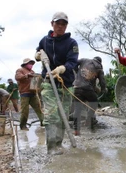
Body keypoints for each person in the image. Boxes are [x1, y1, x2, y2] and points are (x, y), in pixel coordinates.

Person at [35, 11, 79, 155]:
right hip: (48, 82)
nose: (60, 26)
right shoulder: (45, 40)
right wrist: (37, 55)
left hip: (65, 83)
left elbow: (72, 62)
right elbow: (38, 51)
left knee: (63, 116)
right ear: (52, 24)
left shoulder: (72, 43)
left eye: (63, 24)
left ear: (66, 26)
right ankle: (51, 147)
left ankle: (59, 144)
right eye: (57, 23)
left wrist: (61, 69)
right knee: (52, 115)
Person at [72, 56, 107, 136]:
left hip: (77, 87)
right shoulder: (99, 68)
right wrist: (103, 89)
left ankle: (76, 130)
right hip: (88, 89)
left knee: (77, 108)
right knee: (94, 102)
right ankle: (89, 120)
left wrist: (77, 73)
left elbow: (74, 63)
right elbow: (102, 82)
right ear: (100, 62)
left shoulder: (84, 60)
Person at [15, 58, 44, 131]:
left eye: (31, 64)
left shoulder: (32, 71)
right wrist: (27, 75)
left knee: (38, 109)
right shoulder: (20, 70)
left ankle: (43, 122)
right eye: (29, 64)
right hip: (24, 93)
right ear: (25, 64)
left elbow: (35, 82)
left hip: (33, 93)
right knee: (25, 111)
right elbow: (18, 77)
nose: (31, 65)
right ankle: (23, 125)